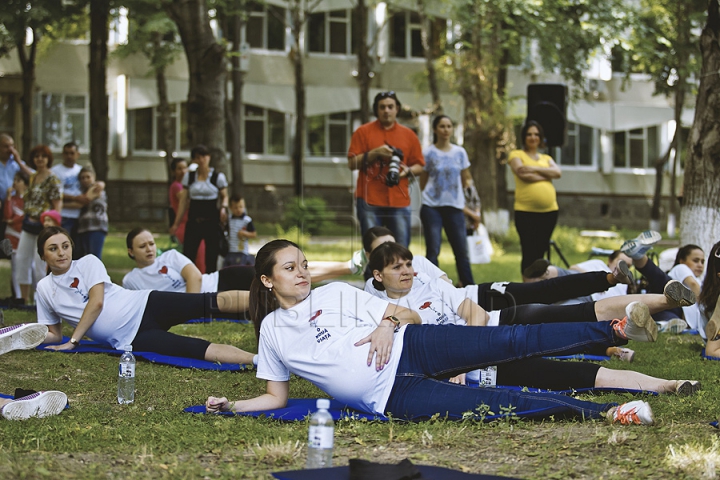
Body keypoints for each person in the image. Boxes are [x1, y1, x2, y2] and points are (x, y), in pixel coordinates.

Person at [206, 239, 659, 425]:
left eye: (304, 265)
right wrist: (233, 406)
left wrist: (387, 324)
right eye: (290, 268)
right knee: (496, 406)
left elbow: (411, 316)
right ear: (268, 280)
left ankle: (614, 329)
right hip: (390, 398)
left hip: (416, 344)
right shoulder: (272, 331)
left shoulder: (335, 293)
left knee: (512, 341)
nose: (302, 273)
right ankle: (607, 412)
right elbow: (276, 398)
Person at [365, 242, 699, 394]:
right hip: (484, 366)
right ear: (378, 276)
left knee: (578, 312)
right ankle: (667, 385)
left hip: (501, 327)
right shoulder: (378, 309)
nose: (408, 271)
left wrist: (463, 359)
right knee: (570, 375)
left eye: (409, 264)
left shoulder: (429, 289)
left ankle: (641, 315)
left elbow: (476, 316)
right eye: (399, 267)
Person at [34, 226, 255, 365]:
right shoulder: (44, 289)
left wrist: (73, 341)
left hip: (146, 303)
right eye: (53, 249)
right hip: (130, 339)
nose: (61, 252)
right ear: (43, 255)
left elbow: (97, 302)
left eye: (65, 246)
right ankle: (257, 360)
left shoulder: (88, 262)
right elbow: (53, 334)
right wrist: (25, 338)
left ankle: (270, 300)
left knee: (207, 303)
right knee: (194, 349)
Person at [347, 92, 424, 247]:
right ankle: (372, 273)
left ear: (397, 109)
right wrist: (375, 153)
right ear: (376, 110)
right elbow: (352, 164)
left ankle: (400, 273)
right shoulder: (363, 132)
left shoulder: (409, 135)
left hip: (399, 199)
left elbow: (420, 165)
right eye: (382, 107)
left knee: (401, 248)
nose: (386, 111)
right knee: (373, 248)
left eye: (390, 107)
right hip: (369, 199)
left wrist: (406, 172)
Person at [419, 115, 474, 287]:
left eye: (449, 126)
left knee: (461, 251)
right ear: (435, 129)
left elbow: (466, 179)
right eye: (442, 126)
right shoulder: (428, 153)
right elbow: (423, 181)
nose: (446, 130)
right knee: (433, 250)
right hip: (432, 207)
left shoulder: (460, 152)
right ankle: (434, 287)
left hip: (455, 207)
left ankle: (469, 286)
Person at [123, 228, 255, 293]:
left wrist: (191, 309)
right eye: (142, 246)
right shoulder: (131, 280)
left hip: (219, 282)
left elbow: (195, 276)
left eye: (151, 244)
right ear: (131, 251)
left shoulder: (170, 256)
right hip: (214, 300)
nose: (149, 249)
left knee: (265, 276)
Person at [509, 121, 561, 279]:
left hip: (549, 212)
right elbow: (522, 174)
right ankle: (527, 287)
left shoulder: (546, 157)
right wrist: (546, 175)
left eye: (536, 134)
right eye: (529, 134)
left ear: (541, 138)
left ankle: (539, 285)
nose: (533, 137)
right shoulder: (517, 155)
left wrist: (533, 168)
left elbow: (557, 173)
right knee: (529, 251)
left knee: (540, 252)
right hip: (526, 212)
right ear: (524, 137)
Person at [621, 231, 699, 330]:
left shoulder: (700, 280)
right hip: (673, 296)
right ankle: (638, 255)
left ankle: (663, 325)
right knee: (666, 283)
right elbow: (693, 285)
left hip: (678, 312)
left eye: (702, 262)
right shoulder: (682, 268)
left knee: (669, 319)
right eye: (695, 261)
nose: (700, 265)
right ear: (682, 260)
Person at [169, 145, 228, 273]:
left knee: (211, 257)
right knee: (188, 255)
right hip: (194, 220)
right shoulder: (189, 178)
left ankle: (211, 288)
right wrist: (176, 223)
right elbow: (183, 202)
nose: (201, 160)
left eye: (204, 156)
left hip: (211, 220)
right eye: (197, 157)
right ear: (194, 160)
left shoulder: (217, 177)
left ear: (209, 157)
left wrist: (223, 208)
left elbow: (224, 196)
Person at [16, 145, 62, 303]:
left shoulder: (53, 178)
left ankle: (41, 299)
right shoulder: (32, 177)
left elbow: (57, 205)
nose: (40, 159)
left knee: (39, 263)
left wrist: (54, 226)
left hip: (43, 227)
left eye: (43, 156)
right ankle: (23, 298)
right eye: (37, 156)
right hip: (28, 223)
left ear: (48, 159)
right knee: (22, 259)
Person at [168, 157, 205, 273]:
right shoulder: (177, 186)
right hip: (184, 225)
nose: (183, 171)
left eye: (185, 168)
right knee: (197, 259)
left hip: (192, 224)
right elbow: (186, 201)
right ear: (173, 172)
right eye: (179, 169)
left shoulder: (187, 185)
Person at [51, 142, 85, 257]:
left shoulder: (81, 171)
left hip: (80, 216)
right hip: (64, 216)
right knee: (64, 248)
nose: (69, 156)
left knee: (78, 250)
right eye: (66, 153)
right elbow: (54, 193)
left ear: (78, 154)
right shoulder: (55, 171)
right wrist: (75, 198)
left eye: (72, 153)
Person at [0, 134, 33, 244]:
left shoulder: (16, 163)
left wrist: (19, 161)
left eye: (12, 146)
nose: (10, 150)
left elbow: (33, 177)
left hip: (15, 204)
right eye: (6, 146)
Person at [4, 173, 27, 304]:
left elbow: (27, 215)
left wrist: (14, 219)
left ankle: (32, 295)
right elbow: (7, 215)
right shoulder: (11, 199)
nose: (15, 183)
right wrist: (7, 197)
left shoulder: (28, 199)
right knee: (14, 266)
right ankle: (18, 297)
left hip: (24, 233)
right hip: (12, 234)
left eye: (18, 180)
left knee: (30, 266)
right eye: (15, 180)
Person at [76, 167, 108, 259]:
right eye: (82, 178)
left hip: (97, 226)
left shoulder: (97, 188)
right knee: (85, 257)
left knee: (95, 257)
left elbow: (86, 199)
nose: (85, 180)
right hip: (84, 227)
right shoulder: (80, 191)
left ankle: (97, 273)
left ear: (94, 177)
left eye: (88, 177)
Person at [224, 194, 257, 267]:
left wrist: (244, 234)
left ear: (244, 206)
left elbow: (254, 234)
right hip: (230, 250)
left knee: (239, 268)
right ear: (231, 208)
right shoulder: (229, 219)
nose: (238, 209)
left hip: (241, 251)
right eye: (235, 207)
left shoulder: (247, 220)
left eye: (241, 207)